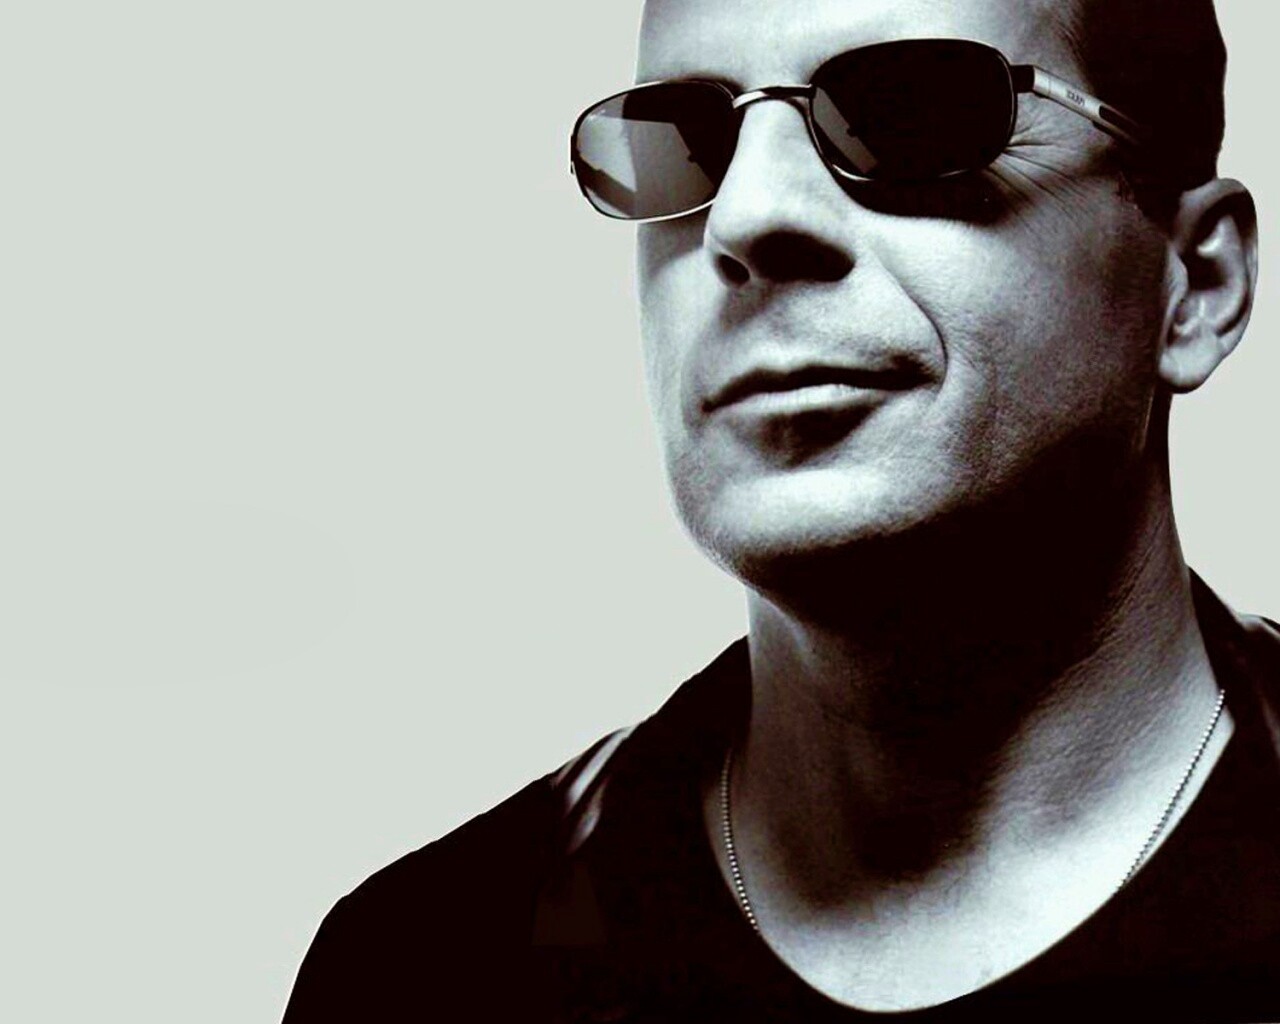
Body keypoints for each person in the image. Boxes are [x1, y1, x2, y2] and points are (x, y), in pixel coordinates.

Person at [283, 0, 1277, 1019]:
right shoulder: (423, 969)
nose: (746, 216)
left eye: (908, 114)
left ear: (1196, 283)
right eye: (682, 144)